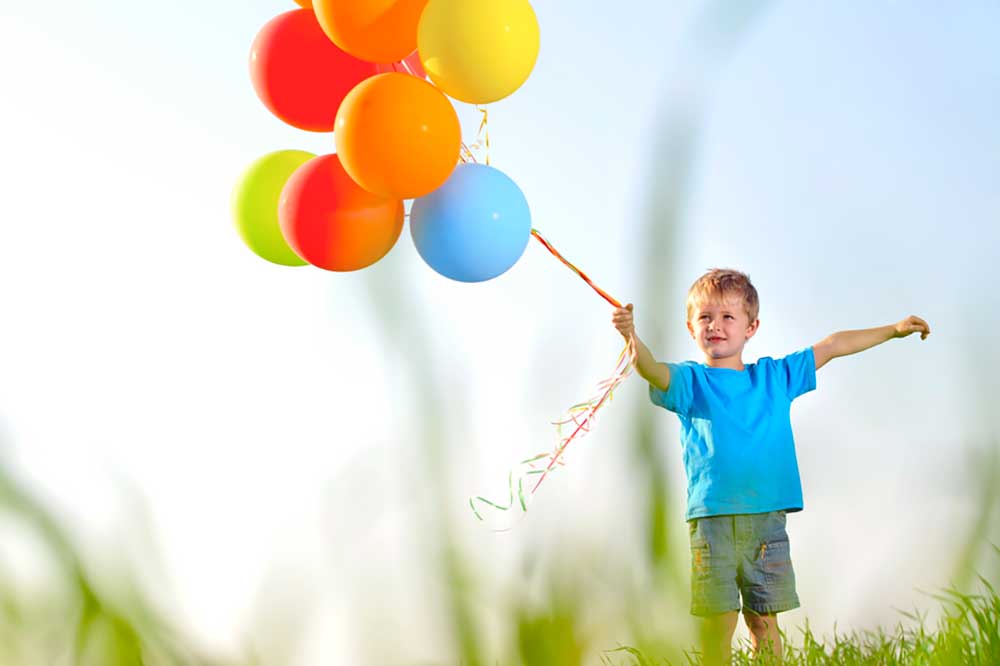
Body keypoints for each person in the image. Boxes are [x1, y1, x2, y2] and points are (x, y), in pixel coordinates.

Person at [610, 268, 930, 665]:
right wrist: (630, 337)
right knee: (719, 623)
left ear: (751, 326)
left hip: (766, 522)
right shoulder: (690, 382)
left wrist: (893, 329)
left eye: (728, 317)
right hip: (713, 522)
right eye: (706, 317)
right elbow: (652, 369)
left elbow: (832, 345)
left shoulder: (774, 377)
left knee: (763, 621)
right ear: (691, 327)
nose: (716, 326)